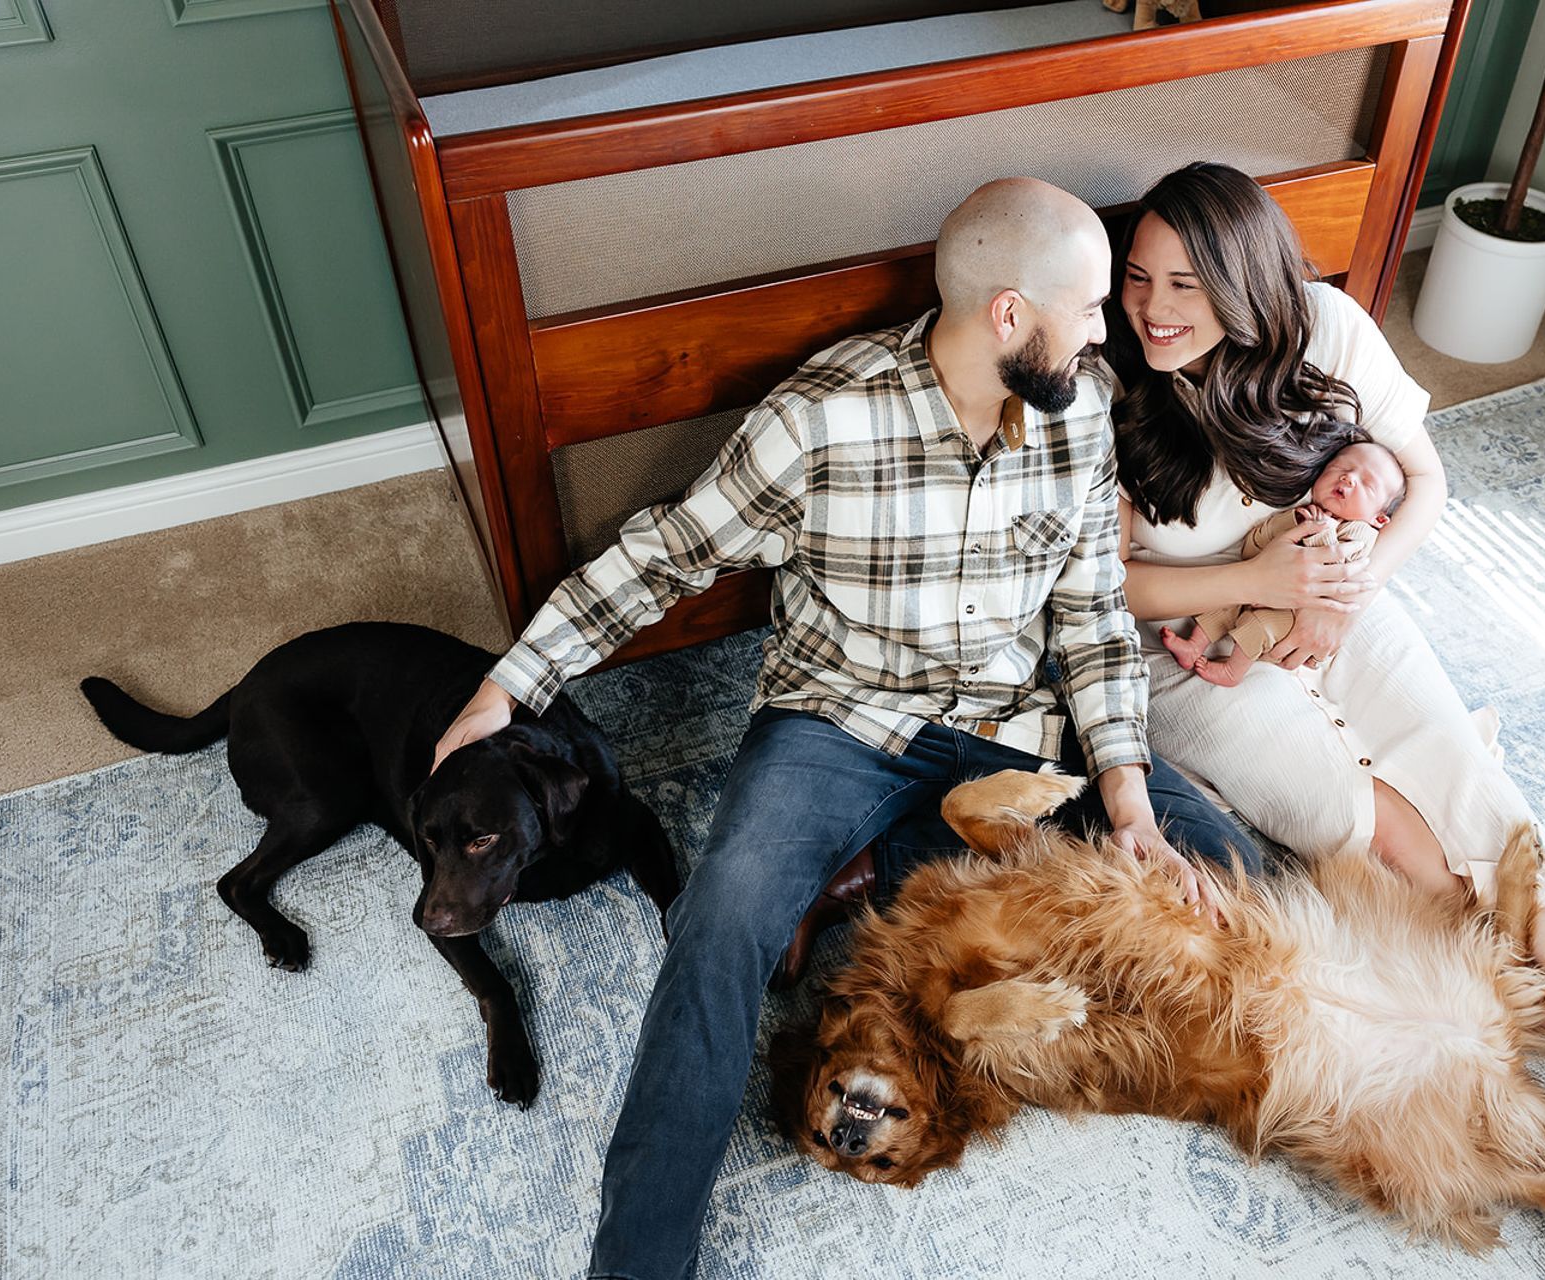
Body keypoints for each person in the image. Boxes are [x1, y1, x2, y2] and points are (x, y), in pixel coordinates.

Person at [431, 176, 1265, 1279]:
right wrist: (509, 684)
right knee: (722, 924)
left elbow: (1090, 614)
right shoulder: (821, 417)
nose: (1107, 332)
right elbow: (668, 551)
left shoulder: (1080, 410)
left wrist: (1123, 797)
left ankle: (892, 871)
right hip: (839, 721)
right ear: (1010, 314)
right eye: (1092, 306)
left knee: (1229, 873)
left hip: (1012, 725)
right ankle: (635, 1263)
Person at [1106, 162, 1545, 1220]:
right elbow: (1109, 586)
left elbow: (1425, 477)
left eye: (1188, 284)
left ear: (1248, 279)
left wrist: (1345, 589)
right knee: (1372, 824)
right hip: (1187, 654)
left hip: (1332, 597)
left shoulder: (1325, 328)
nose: (1154, 309)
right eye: (1140, 278)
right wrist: (1260, 585)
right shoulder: (1114, 386)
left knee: (1463, 774)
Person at [1160, 433, 1405, 687]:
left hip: (1294, 612)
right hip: (1260, 583)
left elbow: (1339, 571)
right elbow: (1255, 544)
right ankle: (1194, 644)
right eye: (1339, 468)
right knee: (1225, 601)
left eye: (1367, 484)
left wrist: (1321, 531)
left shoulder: (1360, 532)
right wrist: (1295, 523)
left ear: (1379, 518)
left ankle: (1233, 671)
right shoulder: (1302, 509)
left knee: (1259, 625)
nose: (1349, 477)